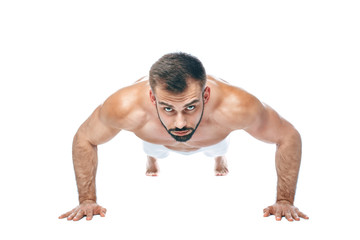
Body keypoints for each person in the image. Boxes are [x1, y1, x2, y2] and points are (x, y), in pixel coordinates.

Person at [59, 52, 309, 222]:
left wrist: (284, 200)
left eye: (191, 106)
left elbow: (288, 136)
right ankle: (153, 159)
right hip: (154, 137)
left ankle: (219, 158)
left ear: (206, 96)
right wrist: (87, 200)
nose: (180, 123)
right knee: (154, 148)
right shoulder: (125, 108)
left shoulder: (237, 107)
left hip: (213, 136)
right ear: (152, 99)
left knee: (218, 147)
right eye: (168, 108)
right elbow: (85, 138)